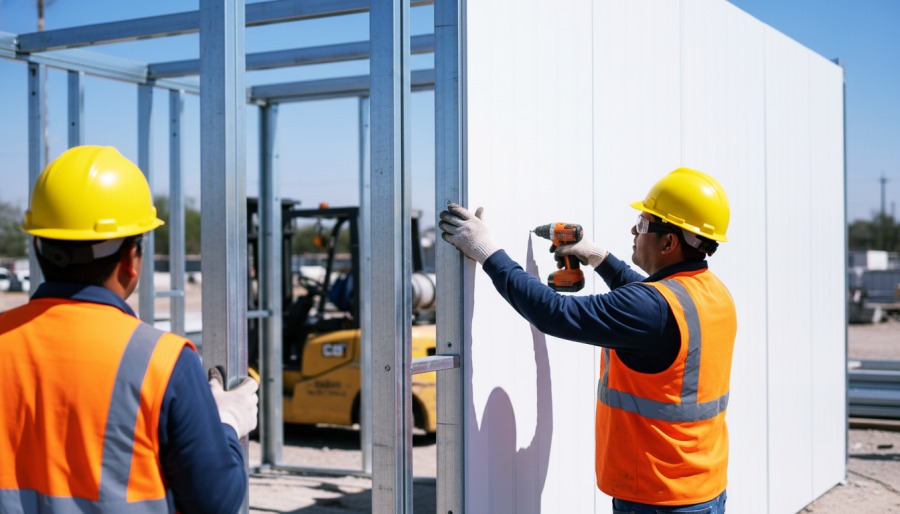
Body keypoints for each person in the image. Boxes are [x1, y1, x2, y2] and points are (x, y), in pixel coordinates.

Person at [439, 167, 736, 513]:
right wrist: (598, 257)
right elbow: (651, 297)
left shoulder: (650, 308)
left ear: (669, 243)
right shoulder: (712, 293)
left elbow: (553, 312)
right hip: (702, 486)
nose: (633, 230)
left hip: (659, 497)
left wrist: (488, 252)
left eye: (642, 224)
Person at [0, 145, 258, 513]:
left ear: (39, 247)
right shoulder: (163, 361)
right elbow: (215, 501)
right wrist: (227, 423)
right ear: (131, 260)